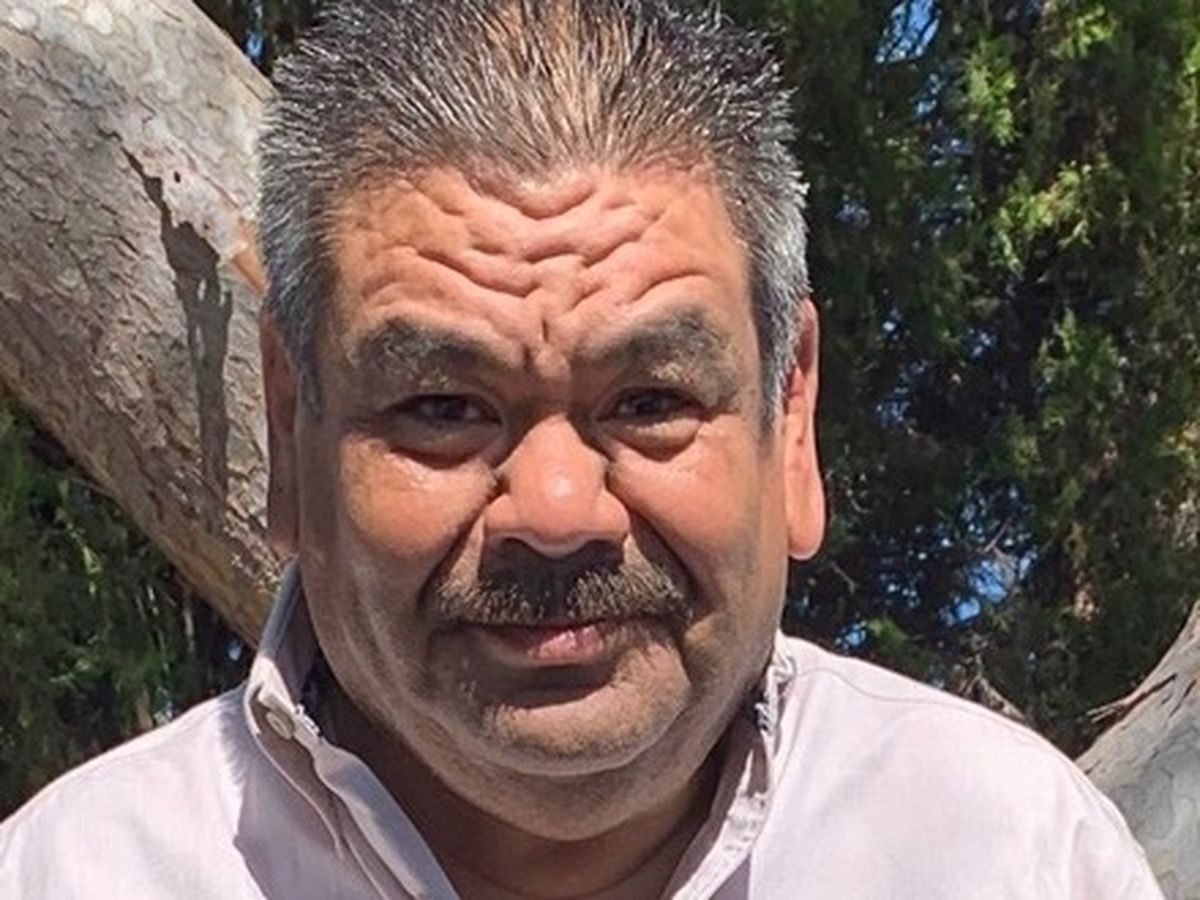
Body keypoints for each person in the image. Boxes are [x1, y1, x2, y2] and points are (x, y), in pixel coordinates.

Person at [0, 1, 1164, 897]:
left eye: (650, 401)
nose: (557, 510)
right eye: (443, 407)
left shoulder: (1004, 854)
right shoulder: (84, 875)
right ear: (290, 431)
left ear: (791, 418)